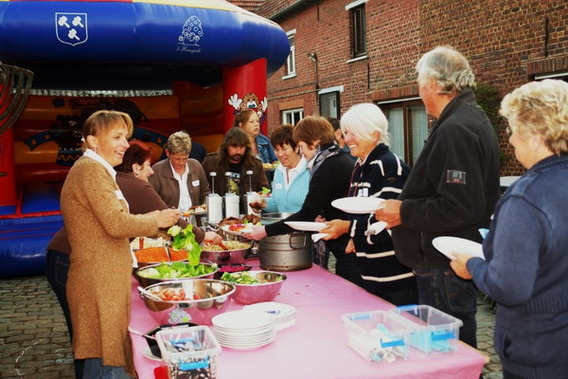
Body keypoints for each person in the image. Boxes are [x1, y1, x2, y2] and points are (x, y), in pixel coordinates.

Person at [375, 46, 500, 348]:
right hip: (445, 260)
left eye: (419, 82)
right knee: (452, 345)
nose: (419, 90)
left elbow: (460, 206)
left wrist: (404, 212)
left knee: (449, 349)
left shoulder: (457, 128)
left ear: (432, 83)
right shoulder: (467, 119)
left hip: (443, 263)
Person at [450, 79, 568, 378]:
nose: (511, 139)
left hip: (541, 351)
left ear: (534, 134)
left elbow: (509, 287)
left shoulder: (526, 198)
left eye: (513, 129)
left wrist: (473, 265)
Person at [59, 110, 180, 378]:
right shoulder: (90, 170)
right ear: (92, 140)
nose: (125, 144)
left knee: (101, 357)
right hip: (98, 282)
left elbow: (111, 222)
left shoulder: (99, 170)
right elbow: (116, 224)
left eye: (125, 136)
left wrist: (150, 219)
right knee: (107, 361)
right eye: (116, 136)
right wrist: (156, 220)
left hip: (104, 279)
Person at [245, 116, 362, 286]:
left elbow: (307, 213)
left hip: (348, 248)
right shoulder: (334, 160)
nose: (301, 152)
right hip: (345, 245)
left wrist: (265, 231)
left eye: (300, 146)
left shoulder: (326, 166)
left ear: (314, 142)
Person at [321, 104, 417, 305]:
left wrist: (348, 228)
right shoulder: (359, 167)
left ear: (374, 135)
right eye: (346, 133)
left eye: (353, 133)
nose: (347, 140)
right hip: (371, 277)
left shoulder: (389, 167)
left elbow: (388, 223)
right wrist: (354, 234)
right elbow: (361, 214)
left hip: (396, 281)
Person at [251, 124, 310, 213]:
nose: (280, 154)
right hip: (282, 225)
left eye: (284, 149)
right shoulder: (279, 171)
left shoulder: (310, 170)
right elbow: (277, 204)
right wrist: (263, 203)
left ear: (297, 147)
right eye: (276, 150)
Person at [148, 131, 210, 215]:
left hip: (194, 222)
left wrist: (205, 204)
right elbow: (151, 200)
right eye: (177, 159)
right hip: (169, 225)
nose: (181, 163)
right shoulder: (157, 170)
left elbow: (205, 191)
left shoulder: (196, 166)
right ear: (167, 153)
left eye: (185, 159)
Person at [202, 127, 268, 197]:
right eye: (234, 146)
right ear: (226, 146)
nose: (238, 151)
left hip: (248, 206)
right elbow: (202, 190)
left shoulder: (256, 165)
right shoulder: (210, 163)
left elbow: (265, 190)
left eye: (242, 147)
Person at [234, 108, 278, 182]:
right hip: (243, 185)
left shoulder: (265, 141)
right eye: (251, 122)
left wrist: (272, 166)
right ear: (241, 125)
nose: (256, 124)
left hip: (265, 187)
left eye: (257, 121)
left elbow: (275, 162)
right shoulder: (234, 143)